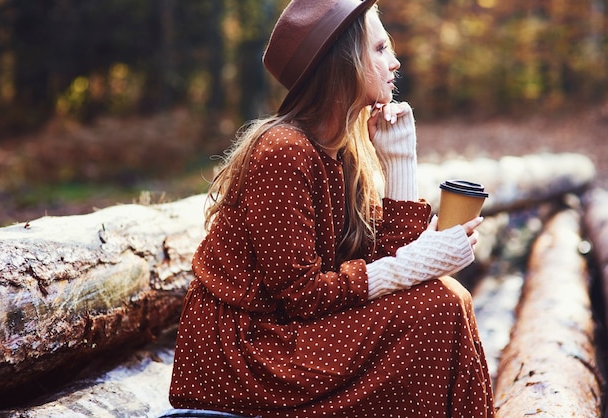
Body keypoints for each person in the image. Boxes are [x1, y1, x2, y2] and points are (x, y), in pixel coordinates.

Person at [168, 0, 495, 416]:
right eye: (379, 50)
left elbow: (383, 261)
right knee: (441, 306)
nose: (395, 63)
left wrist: (399, 161)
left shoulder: (340, 154)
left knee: (446, 299)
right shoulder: (282, 153)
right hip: (243, 356)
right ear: (342, 62)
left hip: (289, 336)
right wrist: (416, 261)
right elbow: (301, 295)